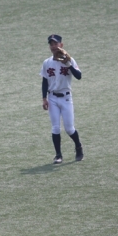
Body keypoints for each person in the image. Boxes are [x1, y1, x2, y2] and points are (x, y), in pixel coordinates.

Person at [40, 34, 84, 163]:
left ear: (61, 45)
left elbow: (79, 76)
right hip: (52, 98)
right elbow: (44, 81)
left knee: (69, 128)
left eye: (56, 43)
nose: (53, 46)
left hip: (66, 98)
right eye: (51, 44)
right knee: (55, 128)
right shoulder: (47, 62)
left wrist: (68, 64)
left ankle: (78, 147)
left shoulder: (70, 60)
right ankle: (58, 155)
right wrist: (44, 98)